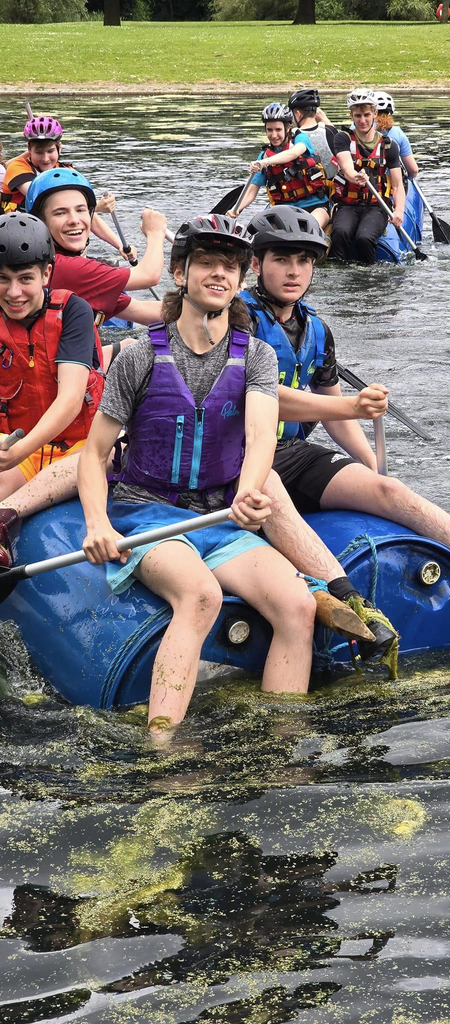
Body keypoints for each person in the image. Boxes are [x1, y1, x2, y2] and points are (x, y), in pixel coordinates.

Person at [241, 206, 450, 635]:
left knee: (389, 488)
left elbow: (334, 410)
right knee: (275, 492)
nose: (294, 271)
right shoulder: (235, 319)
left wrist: (369, 470)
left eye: (303, 260)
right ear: (255, 264)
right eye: (281, 259)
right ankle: (353, 604)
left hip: (293, 453)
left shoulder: (316, 327)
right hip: (239, 458)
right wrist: (353, 407)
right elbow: (264, 400)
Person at [77, 215, 317, 737]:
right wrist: (99, 523)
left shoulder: (257, 356)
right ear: (181, 273)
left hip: (217, 514)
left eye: (229, 266)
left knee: (298, 605)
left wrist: (250, 493)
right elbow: (95, 454)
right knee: (200, 595)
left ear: (239, 278)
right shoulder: (139, 357)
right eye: (205, 263)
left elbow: (260, 439)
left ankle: (279, 747)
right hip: (143, 510)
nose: (218, 274)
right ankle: (163, 746)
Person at [0, 211, 105, 558]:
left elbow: (71, 399)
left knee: (88, 459)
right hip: (20, 451)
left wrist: (20, 449)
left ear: (46, 273)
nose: (14, 292)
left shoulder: (74, 311)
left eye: (25, 278)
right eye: (2, 279)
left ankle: (5, 518)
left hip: (79, 449)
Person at [25, 168, 165, 329]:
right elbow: (149, 276)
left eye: (80, 210)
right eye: (60, 213)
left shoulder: (49, 258)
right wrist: (155, 232)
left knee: (129, 343)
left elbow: (145, 312)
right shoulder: (64, 266)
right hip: (50, 354)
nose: (74, 220)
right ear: (41, 222)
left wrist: (195, 306)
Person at [1, 115, 135, 260]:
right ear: (29, 150)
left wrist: (120, 245)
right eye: (39, 152)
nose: (45, 159)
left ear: (59, 148)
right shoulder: (17, 167)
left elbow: (90, 218)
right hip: (21, 242)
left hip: (60, 247)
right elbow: (42, 197)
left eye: (50, 151)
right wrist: (95, 207)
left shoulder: (68, 171)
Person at [330, 89, 405, 264]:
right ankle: (339, 276)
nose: (362, 121)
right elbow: (347, 167)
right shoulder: (343, 138)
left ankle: (368, 279)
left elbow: (397, 185)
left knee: (364, 238)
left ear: (375, 114)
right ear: (351, 116)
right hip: (347, 205)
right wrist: (354, 176)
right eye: (357, 116)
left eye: (366, 115)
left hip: (376, 206)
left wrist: (399, 211)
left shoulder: (389, 146)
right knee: (341, 233)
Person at [227, 104, 330, 230]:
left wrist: (264, 162)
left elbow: (294, 153)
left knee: (309, 229)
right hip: (282, 209)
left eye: (278, 130)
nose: (274, 135)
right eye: (269, 130)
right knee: (256, 232)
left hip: (315, 205)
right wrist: (235, 209)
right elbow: (251, 192)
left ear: (287, 128)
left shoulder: (300, 139)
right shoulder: (264, 156)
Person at [287, 89, 338, 183]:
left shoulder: (293, 135)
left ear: (298, 114)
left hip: (308, 192)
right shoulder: (330, 131)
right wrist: (325, 119)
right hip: (333, 191)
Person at [374, 92, 419, 180]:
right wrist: (408, 178)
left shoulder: (357, 128)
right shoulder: (398, 133)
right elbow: (413, 170)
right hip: (390, 185)